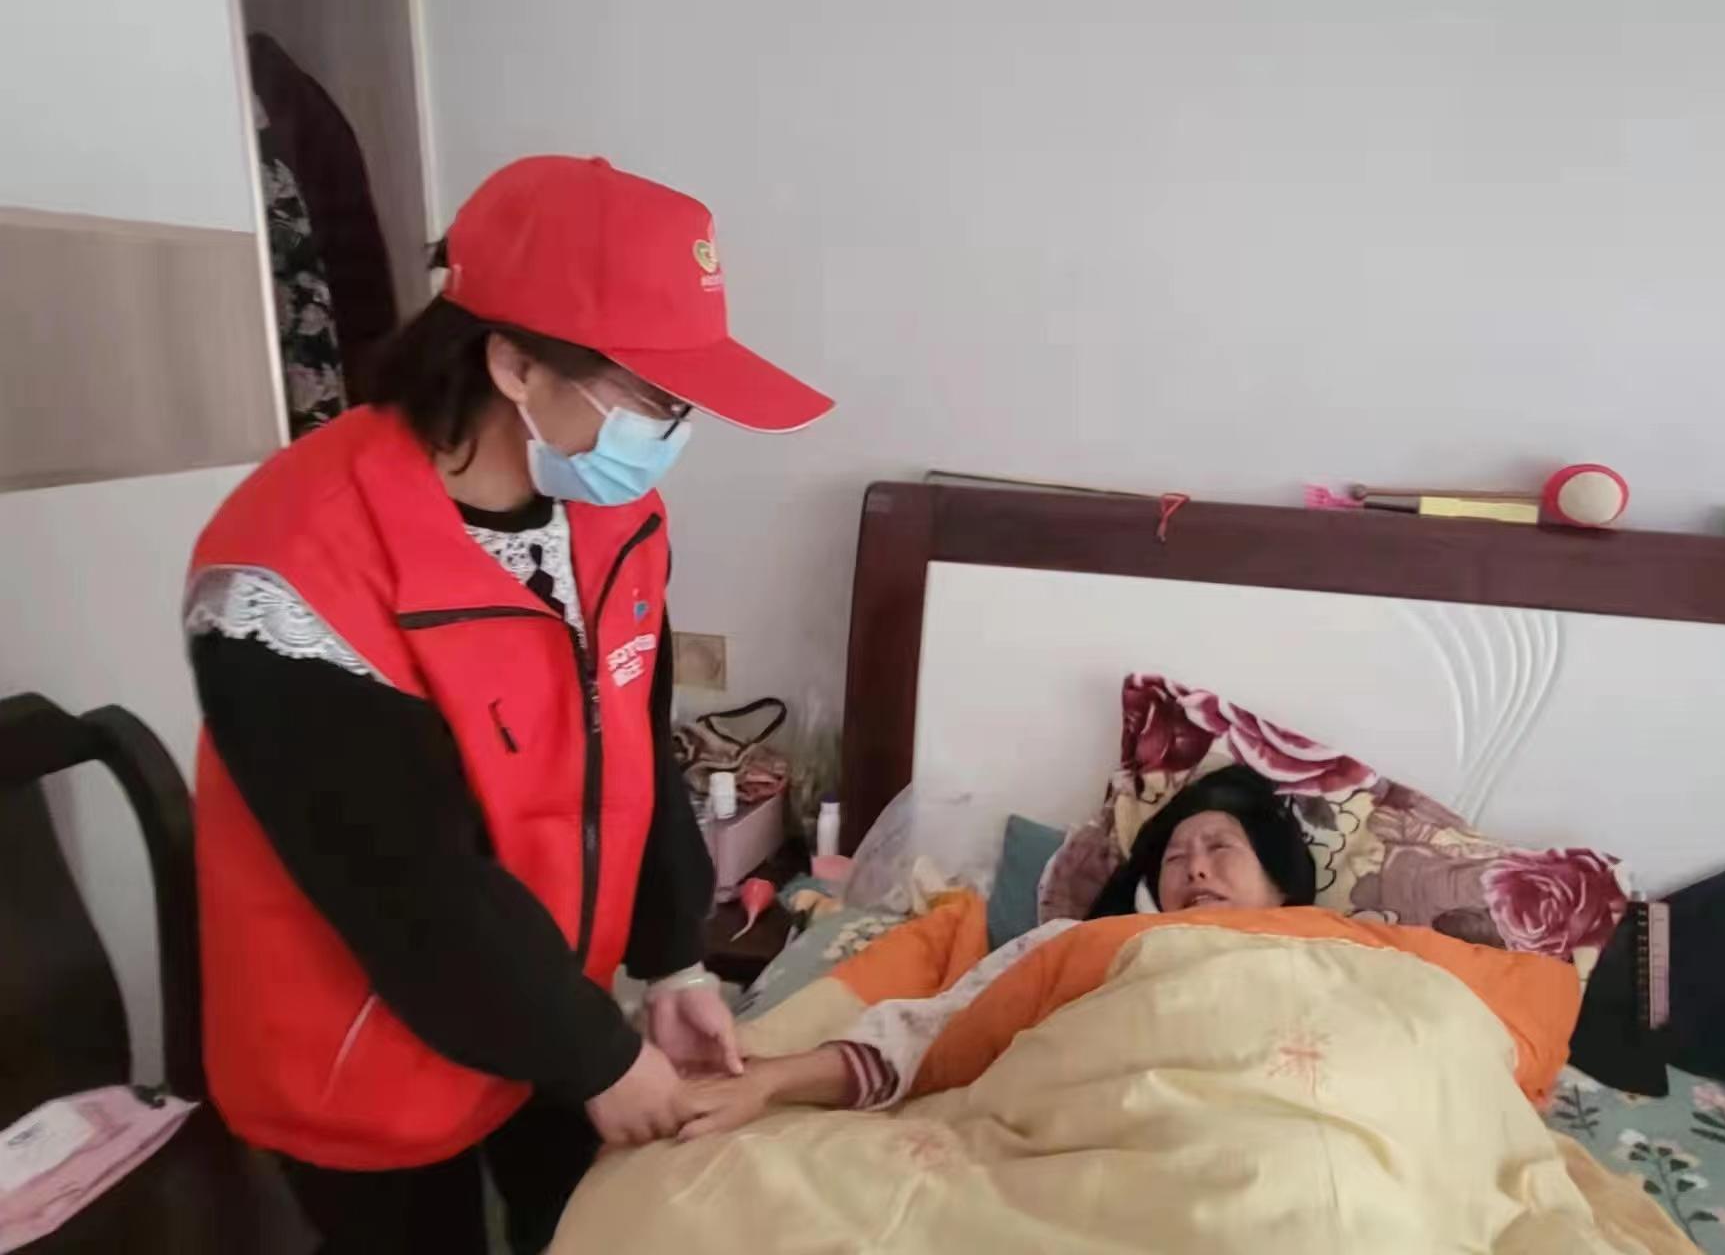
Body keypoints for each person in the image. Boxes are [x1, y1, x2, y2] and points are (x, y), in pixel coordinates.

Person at [182, 155, 833, 1254]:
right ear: (516, 364)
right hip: (368, 1046)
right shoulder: (290, 568)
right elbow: (404, 883)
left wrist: (670, 958)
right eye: (653, 398)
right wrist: (598, 1056)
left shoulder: (615, 520)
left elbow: (634, 747)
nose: (673, 433)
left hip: (544, 995)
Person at [673, 766, 1316, 1139]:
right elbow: (928, 1032)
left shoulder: (1349, 954)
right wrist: (770, 1079)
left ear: (1281, 882)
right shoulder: (1081, 946)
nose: (1196, 869)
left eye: (1220, 848)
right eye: (1176, 858)